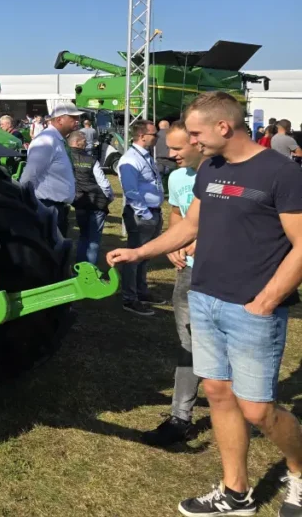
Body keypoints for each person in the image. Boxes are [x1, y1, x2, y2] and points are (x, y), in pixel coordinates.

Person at [108, 92, 302, 517]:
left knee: (258, 409)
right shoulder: (210, 168)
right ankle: (236, 495)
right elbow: (192, 224)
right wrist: (139, 254)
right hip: (205, 297)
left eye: (195, 133)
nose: (188, 141)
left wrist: (267, 300)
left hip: (251, 307)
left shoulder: (280, 172)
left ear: (222, 128)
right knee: (217, 392)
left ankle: (299, 470)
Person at [142, 119, 206, 447]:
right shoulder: (178, 177)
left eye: (177, 148)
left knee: (224, 346)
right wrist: (173, 244)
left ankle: (245, 409)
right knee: (188, 345)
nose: (170, 154)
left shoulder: (222, 175)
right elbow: (179, 214)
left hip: (221, 276)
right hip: (187, 274)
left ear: (199, 143)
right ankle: (181, 417)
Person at [117, 119, 164, 316]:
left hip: (152, 212)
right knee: (134, 258)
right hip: (141, 215)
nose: (157, 138)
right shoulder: (130, 160)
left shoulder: (145, 156)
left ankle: (142, 291)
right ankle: (130, 298)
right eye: (155, 135)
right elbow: (131, 190)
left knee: (145, 256)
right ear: (142, 136)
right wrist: (144, 213)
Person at [19, 101, 80, 236]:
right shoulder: (46, 141)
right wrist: (26, 205)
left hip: (55, 208)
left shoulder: (56, 139)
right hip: (47, 207)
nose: (78, 121)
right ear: (59, 120)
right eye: (73, 118)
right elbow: (29, 175)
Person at [68, 129, 113, 270]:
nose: (87, 144)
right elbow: (103, 182)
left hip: (80, 201)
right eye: (84, 141)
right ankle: (90, 272)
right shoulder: (91, 159)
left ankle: (79, 270)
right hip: (97, 201)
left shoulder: (65, 158)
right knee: (93, 239)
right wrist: (109, 197)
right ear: (77, 143)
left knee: (83, 235)